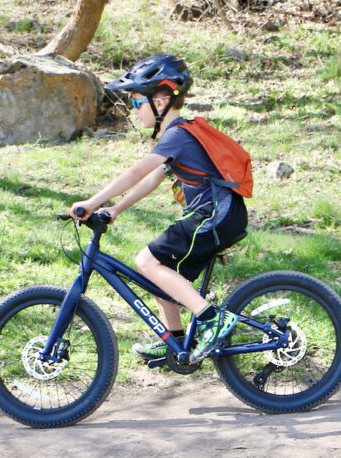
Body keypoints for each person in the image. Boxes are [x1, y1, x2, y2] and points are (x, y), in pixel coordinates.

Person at [70, 55, 248, 364]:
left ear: (162, 100)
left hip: (213, 215)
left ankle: (211, 319)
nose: (134, 111)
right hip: (219, 214)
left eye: (137, 103)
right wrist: (116, 209)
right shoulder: (178, 135)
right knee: (160, 270)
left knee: (146, 259)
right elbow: (151, 181)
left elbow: (136, 173)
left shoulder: (177, 135)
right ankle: (174, 342)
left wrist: (90, 203)